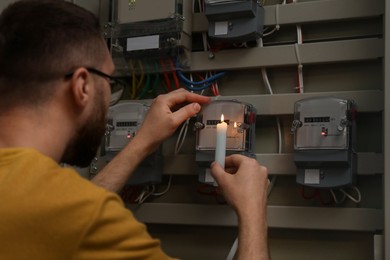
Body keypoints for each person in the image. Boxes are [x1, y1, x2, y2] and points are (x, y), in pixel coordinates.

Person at [0, 0, 269, 259]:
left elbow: (63, 218)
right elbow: (76, 215)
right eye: (110, 81)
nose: (110, 96)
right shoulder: (85, 217)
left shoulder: (45, 203)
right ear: (82, 86)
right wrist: (253, 213)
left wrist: (143, 142)